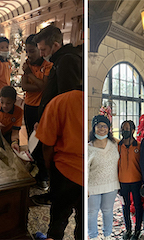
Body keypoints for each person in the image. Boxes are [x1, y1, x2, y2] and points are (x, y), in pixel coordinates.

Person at [31, 24, 82, 206]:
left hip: (59, 128)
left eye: (44, 49)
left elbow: (66, 100)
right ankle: (53, 194)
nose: (42, 54)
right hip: (50, 122)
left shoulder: (67, 60)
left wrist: (49, 123)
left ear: (55, 45)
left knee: (55, 166)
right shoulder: (60, 60)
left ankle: (55, 198)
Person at [35, 89, 83, 240]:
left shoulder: (59, 101)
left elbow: (46, 145)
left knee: (58, 221)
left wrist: (50, 169)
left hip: (65, 172)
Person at [21, 34, 53, 190]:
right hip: (29, 106)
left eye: (32, 51)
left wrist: (31, 75)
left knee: (41, 141)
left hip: (42, 107)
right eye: (27, 51)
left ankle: (44, 176)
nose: (29, 55)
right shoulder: (28, 64)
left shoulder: (47, 65)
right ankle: (35, 169)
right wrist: (35, 82)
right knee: (31, 139)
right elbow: (24, 86)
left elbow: (45, 87)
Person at [88, 115, 119, 240]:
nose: (102, 129)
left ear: (109, 128)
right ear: (94, 128)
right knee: (92, 213)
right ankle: (93, 236)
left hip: (111, 185)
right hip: (93, 187)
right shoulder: (88, 147)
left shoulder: (114, 144)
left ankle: (108, 235)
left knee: (107, 211)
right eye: (99, 126)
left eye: (104, 126)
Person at [118, 120, 143, 240]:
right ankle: (128, 229)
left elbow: (142, 164)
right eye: (123, 128)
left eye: (127, 129)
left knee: (138, 206)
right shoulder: (118, 146)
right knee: (125, 206)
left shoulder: (138, 146)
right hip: (122, 181)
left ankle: (137, 229)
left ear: (133, 130)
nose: (124, 131)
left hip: (136, 181)